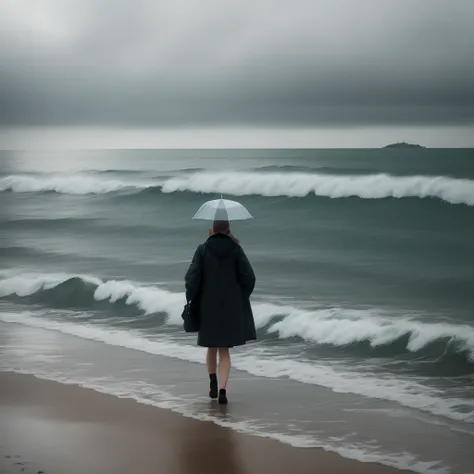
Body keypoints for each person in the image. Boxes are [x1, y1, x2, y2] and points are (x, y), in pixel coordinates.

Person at [185, 220, 256, 404]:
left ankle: (212, 382)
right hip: (230, 306)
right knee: (224, 350)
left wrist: (191, 297)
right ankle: (223, 390)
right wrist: (241, 296)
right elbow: (249, 277)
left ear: (212, 230)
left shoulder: (203, 249)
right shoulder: (235, 249)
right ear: (228, 230)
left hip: (208, 305)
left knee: (211, 347)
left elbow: (191, 278)